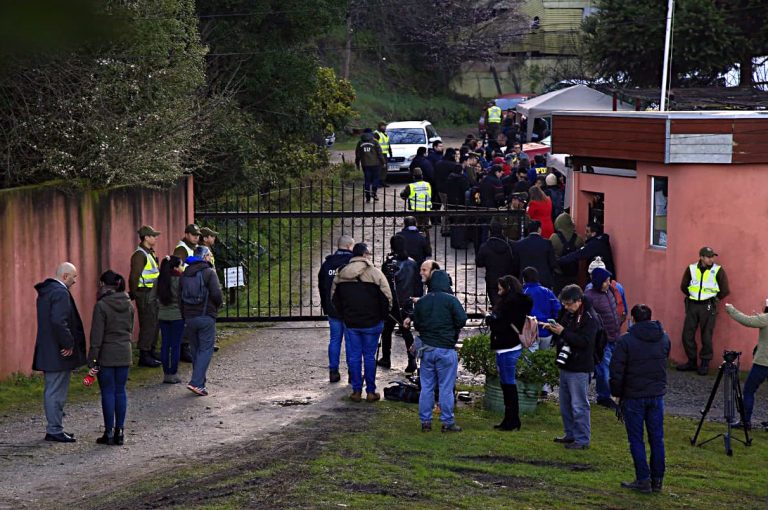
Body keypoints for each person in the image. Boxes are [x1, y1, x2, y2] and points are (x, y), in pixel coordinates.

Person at [610, 304, 670, 494]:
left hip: (634, 395)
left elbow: (617, 370)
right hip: (656, 394)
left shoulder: (626, 341)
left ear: (633, 319)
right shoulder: (663, 337)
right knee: (657, 439)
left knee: (636, 439)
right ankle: (657, 480)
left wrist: (616, 393)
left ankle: (643, 479)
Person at [405, 269, 467, 432]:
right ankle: (448, 422)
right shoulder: (451, 300)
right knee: (446, 387)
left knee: (427, 387)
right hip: (446, 349)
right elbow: (462, 320)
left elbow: (417, 324)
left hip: (427, 349)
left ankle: (425, 422)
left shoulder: (422, 302)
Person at [332, 243, 392, 402]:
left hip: (351, 322)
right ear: (365, 255)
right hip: (372, 322)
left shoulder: (341, 273)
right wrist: (382, 316)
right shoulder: (375, 273)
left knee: (354, 356)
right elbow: (387, 297)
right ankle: (371, 391)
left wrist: (344, 314)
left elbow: (334, 298)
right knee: (370, 356)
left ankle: (356, 391)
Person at [33, 262, 86, 443]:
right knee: (56, 390)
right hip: (58, 352)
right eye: (74, 277)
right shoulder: (60, 293)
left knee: (52, 388)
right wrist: (69, 343)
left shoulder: (47, 292)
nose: (75, 281)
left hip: (48, 349)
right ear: (65, 276)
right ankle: (54, 429)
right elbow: (59, 322)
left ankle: (54, 427)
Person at [544, 284, 599, 450]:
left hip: (580, 367)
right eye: (564, 304)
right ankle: (570, 434)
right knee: (565, 403)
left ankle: (582, 439)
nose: (566, 307)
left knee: (579, 404)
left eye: (569, 304)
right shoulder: (569, 314)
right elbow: (566, 332)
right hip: (567, 364)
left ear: (579, 301)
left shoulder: (589, 318)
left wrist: (562, 332)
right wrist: (556, 330)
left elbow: (585, 342)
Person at [87, 270, 133, 446]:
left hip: (106, 353)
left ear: (102, 285)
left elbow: (96, 336)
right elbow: (131, 326)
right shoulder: (128, 303)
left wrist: (92, 359)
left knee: (107, 391)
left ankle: (108, 432)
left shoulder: (101, 306)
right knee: (120, 390)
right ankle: (120, 431)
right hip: (124, 351)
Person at [485, 275, 533, 430]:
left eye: (500, 287)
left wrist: (488, 318)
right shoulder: (518, 303)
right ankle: (511, 419)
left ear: (507, 288)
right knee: (507, 384)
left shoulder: (509, 304)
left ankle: (511, 420)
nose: (498, 290)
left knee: (508, 385)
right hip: (511, 346)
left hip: (507, 347)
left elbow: (500, 325)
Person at [677, 246, 730, 375]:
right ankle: (692, 361)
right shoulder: (691, 268)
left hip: (708, 305)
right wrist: (692, 296)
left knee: (706, 335)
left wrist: (714, 299)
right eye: (708, 257)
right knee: (687, 334)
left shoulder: (718, 270)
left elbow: (724, 289)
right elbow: (684, 286)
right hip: (693, 304)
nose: (711, 259)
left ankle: (705, 363)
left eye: (712, 256)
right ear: (701, 257)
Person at [180, 245, 223, 396]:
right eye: (209, 255)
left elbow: (180, 296)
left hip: (189, 318)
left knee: (196, 350)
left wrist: (184, 315)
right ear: (205, 257)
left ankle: (200, 382)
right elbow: (217, 294)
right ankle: (196, 382)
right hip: (205, 316)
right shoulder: (209, 273)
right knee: (206, 350)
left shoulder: (185, 274)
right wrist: (216, 308)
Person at [378, 235, 421, 374]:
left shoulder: (390, 264)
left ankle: (386, 358)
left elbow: (384, 285)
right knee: (406, 331)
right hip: (407, 301)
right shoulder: (412, 263)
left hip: (393, 303)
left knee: (387, 331)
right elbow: (417, 283)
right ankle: (411, 359)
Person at [724, 302, 768, 430]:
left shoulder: (765, 318)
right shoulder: (764, 319)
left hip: (763, 362)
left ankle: (745, 421)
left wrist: (731, 309)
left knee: (749, 390)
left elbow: (746, 320)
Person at [318, 235, 355, 383]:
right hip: (349, 309)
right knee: (351, 342)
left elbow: (321, 286)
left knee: (334, 340)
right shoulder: (352, 263)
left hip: (333, 308)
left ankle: (333, 371)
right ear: (348, 246)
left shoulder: (327, 264)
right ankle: (352, 373)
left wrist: (325, 305)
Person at [585, 268, 621, 410]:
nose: (608, 283)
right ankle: (604, 396)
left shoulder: (610, 291)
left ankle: (607, 394)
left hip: (614, 336)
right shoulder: (589, 296)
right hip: (602, 339)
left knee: (610, 368)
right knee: (603, 369)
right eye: (606, 281)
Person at [129, 225, 162, 368]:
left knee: (154, 322)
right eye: (153, 236)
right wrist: (136, 294)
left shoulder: (149, 252)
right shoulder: (139, 255)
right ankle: (144, 355)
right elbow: (134, 277)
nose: (155, 238)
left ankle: (151, 351)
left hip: (153, 293)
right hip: (145, 293)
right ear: (146, 237)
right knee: (148, 324)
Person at [157, 256, 184, 384]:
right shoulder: (180, 280)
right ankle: (173, 372)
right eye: (180, 265)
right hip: (177, 316)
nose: (181, 268)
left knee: (165, 345)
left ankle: (166, 373)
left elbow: (152, 298)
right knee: (175, 345)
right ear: (175, 267)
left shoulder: (160, 280)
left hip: (162, 316)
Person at [174, 224, 199, 363]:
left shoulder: (190, 248)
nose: (196, 237)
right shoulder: (182, 249)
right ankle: (184, 348)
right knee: (186, 319)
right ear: (187, 234)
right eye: (194, 235)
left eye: (197, 235)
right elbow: (178, 267)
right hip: (184, 286)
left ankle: (187, 346)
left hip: (189, 285)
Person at [476, 223, 516, 307]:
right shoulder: (508, 245)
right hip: (506, 276)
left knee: (495, 301)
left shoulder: (485, 246)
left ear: (490, 232)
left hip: (491, 277)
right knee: (506, 300)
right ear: (502, 231)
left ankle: (496, 314)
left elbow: (479, 263)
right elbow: (513, 261)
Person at [522, 267, 561, 351]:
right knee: (544, 359)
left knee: (529, 362)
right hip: (547, 331)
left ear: (524, 279)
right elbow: (557, 308)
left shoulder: (523, 293)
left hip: (530, 332)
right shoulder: (547, 291)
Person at [513, 220, 557, 289]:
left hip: (525, 280)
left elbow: (516, 265)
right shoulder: (547, 243)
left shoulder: (519, 244)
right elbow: (552, 263)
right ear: (539, 229)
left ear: (528, 230)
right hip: (543, 280)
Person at [549, 212, 584, 294]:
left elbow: (549, 254)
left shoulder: (554, 238)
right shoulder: (579, 239)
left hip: (559, 274)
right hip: (574, 274)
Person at [400, 167, 432, 239]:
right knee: (425, 226)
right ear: (422, 176)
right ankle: (426, 241)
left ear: (413, 177)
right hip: (426, 209)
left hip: (415, 210)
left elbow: (403, 195)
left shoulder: (411, 186)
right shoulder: (427, 184)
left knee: (415, 227)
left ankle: (416, 240)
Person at [434, 148, 461, 236]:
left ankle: (445, 227)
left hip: (440, 189)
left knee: (444, 206)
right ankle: (445, 228)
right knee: (447, 209)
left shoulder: (438, 163)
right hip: (449, 190)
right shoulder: (453, 165)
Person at [354, 131, 386, 202]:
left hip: (365, 165)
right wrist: (383, 162)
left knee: (367, 180)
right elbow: (379, 153)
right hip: (376, 164)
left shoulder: (360, 143)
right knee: (375, 179)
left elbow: (358, 155)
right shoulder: (375, 142)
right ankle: (374, 194)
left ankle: (367, 196)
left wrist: (357, 164)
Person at [374, 121, 392, 188]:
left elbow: (388, 144)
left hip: (385, 154)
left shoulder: (385, 134)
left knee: (384, 168)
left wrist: (390, 153)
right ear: (380, 126)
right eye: (383, 126)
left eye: (385, 126)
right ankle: (378, 182)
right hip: (379, 154)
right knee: (379, 169)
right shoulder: (376, 134)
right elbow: (375, 144)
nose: (385, 127)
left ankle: (382, 181)